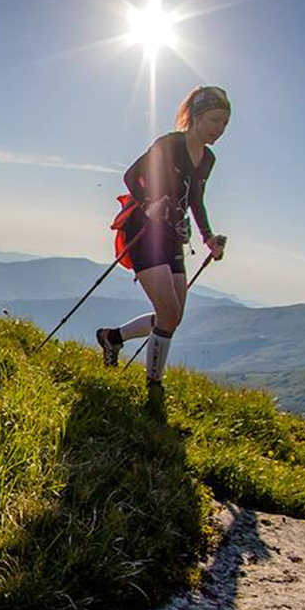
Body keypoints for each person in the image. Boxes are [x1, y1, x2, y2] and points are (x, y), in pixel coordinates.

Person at [96, 85, 230, 402]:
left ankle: (112, 338)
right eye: (214, 120)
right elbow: (132, 176)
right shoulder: (169, 144)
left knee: (173, 316)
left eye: (224, 123)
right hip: (143, 229)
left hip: (173, 233)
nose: (219, 129)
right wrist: (147, 203)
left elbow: (196, 199)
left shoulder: (208, 159)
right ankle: (153, 389)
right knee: (168, 312)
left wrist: (208, 236)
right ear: (196, 116)